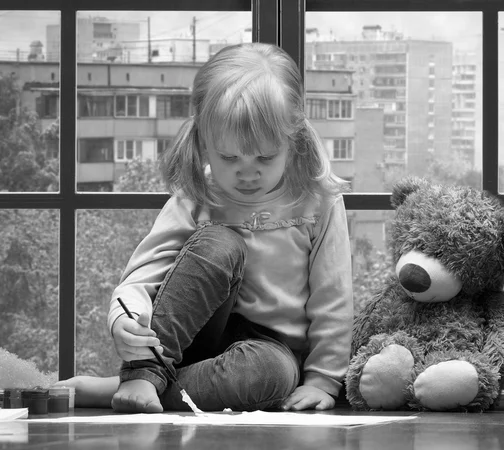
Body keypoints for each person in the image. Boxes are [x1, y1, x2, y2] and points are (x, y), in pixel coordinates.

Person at [62, 42, 353, 413]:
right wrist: (127, 318)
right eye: (229, 157)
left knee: (272, 376)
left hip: (269, 352)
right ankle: (144, 372)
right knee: (218, 242)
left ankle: (126, 389)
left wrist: (323, 381)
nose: (247, 172)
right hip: (187, 342)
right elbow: (146, 272)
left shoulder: (319, 200)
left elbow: (333, 297)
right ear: (203, 142)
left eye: (265, 156)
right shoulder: (198, 193)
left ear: (292, 139)